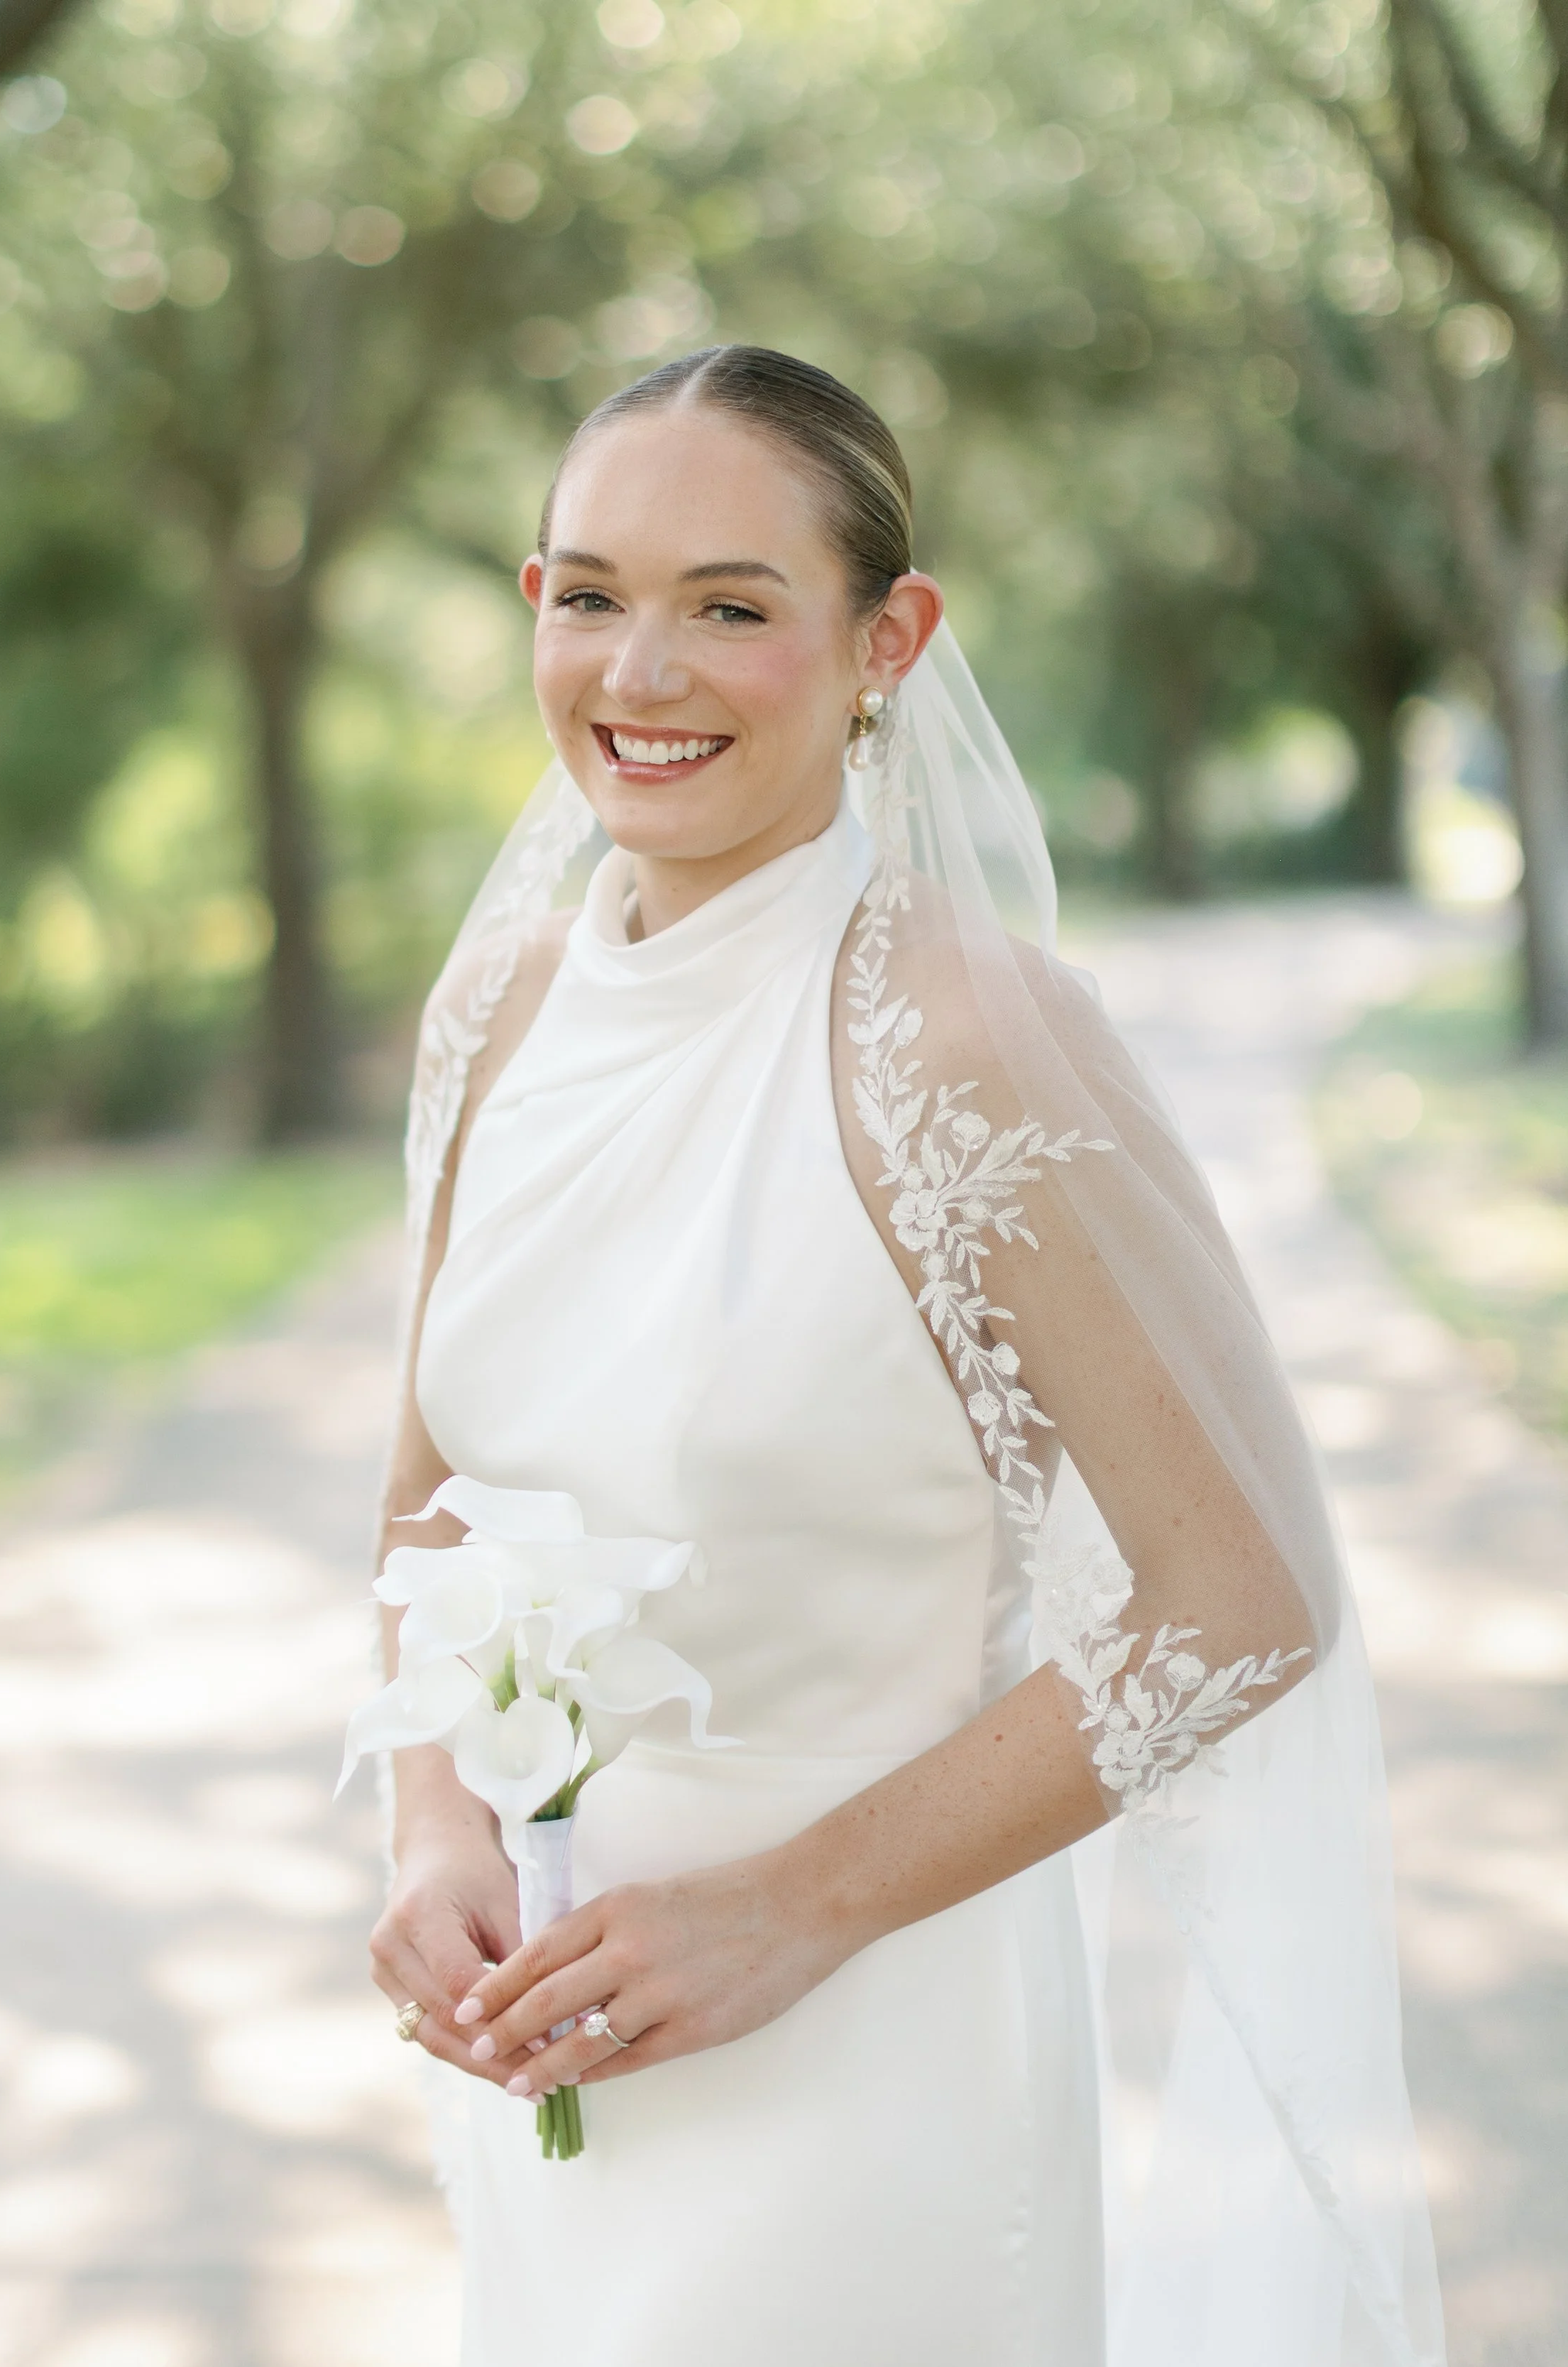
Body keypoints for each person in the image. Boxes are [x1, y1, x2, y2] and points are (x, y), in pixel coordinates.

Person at [364, 346, 1444, 2366]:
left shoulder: (961, 1036)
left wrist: (788, 1908)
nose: (641, 670)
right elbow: (429, 1497)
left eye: (732, 605)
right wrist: (431, 1828)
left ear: (888, 640)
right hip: (547, 2053)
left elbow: (1233, 1603)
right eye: (590, 593)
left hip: (868, 2058)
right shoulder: (500, 1002)